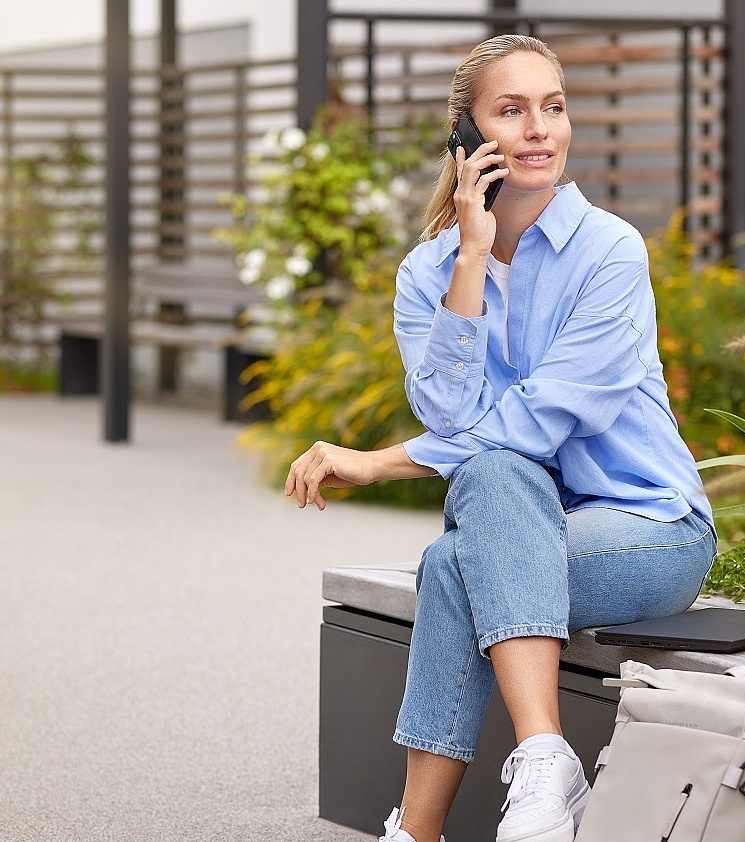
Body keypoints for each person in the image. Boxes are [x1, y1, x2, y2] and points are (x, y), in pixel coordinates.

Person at [284, 34, 715, 842]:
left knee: (481, 507)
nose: (539, 130)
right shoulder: (430, 273)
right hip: (519, 525)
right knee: (470, 532)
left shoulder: (610, 252)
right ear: (466, 138)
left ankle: (418, 830)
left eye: (552, 107)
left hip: (652, 530)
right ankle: (544, 766)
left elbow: (547, 415)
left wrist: (379, 464)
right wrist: (473, 257)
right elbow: (452, 416)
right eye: (512, 111)